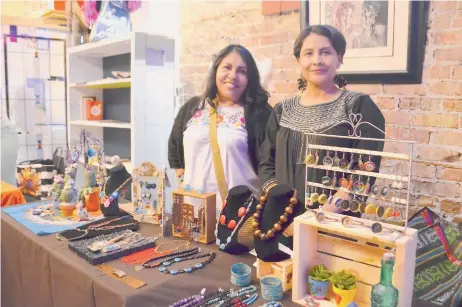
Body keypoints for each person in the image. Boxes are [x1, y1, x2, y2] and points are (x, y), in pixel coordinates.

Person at [259, 25, 385, 219]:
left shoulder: (358, 107)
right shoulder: (282, 110)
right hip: (281, 219)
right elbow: (267, 163)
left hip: (333, 222)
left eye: (325, 52)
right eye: (308, 53)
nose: (316, 60)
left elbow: (363, 172)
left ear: (340, 58)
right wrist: (280, 203)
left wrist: (321, 215)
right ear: (299, 60)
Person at [168, 44, 272, 213]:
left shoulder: (260, 114)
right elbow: (175, 144)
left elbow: (270, 164)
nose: (233, 76)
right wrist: (182, 178)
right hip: (194, 213)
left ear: (250, 78)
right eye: (227, 67)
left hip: (239, 217)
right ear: (215, 70)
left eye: (242, 71)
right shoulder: (194, 107)